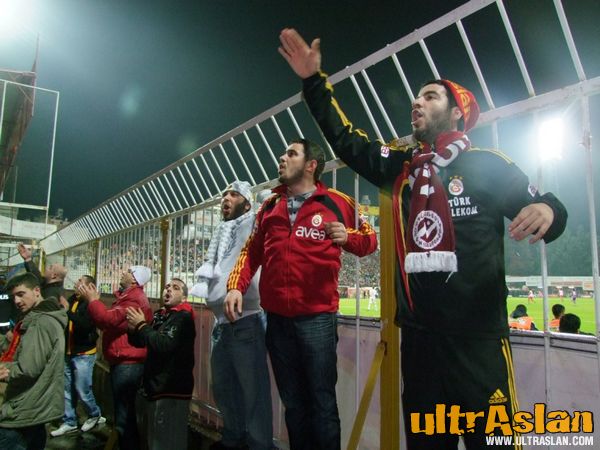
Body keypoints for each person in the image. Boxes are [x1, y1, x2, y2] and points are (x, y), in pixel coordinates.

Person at [278, 28, 567, 449]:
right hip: (420, 344)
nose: (416, 102)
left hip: (478, 343)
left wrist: (549, 209)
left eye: (430, 96)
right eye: (416, 96)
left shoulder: (488, 166)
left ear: (456, 112)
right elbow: (346, 140)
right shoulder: (401, 167)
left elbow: (547, 207)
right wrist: (313, 82)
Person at [224, 139, 378, 450]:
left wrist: (347, 236)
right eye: (283, 153)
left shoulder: (338, 202)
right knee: (293, 406)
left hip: (317, 320)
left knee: (322, 403)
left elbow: (370, 240)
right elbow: (252, 252)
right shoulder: (270, 205)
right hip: (277, 320)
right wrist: (235, 287)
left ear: (311, 165)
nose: (282, 158)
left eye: (291, 154)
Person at [192, 181, 273, 450]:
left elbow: (267, 207)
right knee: (223, 389)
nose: (226, 198)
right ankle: (233, 439)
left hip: (246, 320)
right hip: (221, 323)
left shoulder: (253, 222)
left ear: (247, 203)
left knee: (254, 392)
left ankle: (260, 445)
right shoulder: (222, 231)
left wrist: (265, 197)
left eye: (233, 194)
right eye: (224, 194)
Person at [81, 265, 153, 450]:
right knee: (124, 414)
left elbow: (107, 320)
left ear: (135, 279)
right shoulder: (128, 298)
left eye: (128, 271)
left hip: (127, 362)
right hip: (124, 360)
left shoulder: (133, 300)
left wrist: (93, 301)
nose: (123, 272)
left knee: (124, 416)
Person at [126, 278, 196, 450]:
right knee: (154, 440)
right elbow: (143, 341)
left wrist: (141, 325)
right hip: (155, 388)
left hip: (171, 391)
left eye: (175, 288)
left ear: (184, 297)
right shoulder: (161, 315)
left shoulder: (183, 318)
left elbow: (164, 344)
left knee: (168, 442)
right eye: (167, 287)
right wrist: (133, 330)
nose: (169, 289)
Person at [0, 273, 67, 450]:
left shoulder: (40, 322)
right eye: (14, 296)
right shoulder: (40, 317)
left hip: (22, 411)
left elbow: (28, 368)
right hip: (34, 408)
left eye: (21, 294)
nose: (17, 301)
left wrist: (4, 369)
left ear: (37, 291)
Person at [51, 275, 105, 437]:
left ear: (89, 286)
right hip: (69, 352)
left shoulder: (91, 304)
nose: (76, 284)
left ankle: (94, 414)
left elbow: (85, 325)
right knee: (67, 389)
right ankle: (70, 421)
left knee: (82, 388)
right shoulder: (72, 300)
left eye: (81, 282)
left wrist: (68, 311)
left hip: (83, 354)